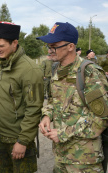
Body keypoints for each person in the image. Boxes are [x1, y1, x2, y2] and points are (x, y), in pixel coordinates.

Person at [37, 22, 108, 172]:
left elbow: (101, 119)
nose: (50, 51)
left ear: (70, 46)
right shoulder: (56, 69)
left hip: (84, 162)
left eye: (54, 46)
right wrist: (47, 116)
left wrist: (63, 133)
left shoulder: (89, 73)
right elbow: (53, 100)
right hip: (60, 157)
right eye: (48, 46)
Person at [0, 21, 44, 173]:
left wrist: (23, 141)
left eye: (1, 46)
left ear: (14, 43)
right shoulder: (0, 65)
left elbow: (34, 109)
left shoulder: (30, 70)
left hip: (17, 139)